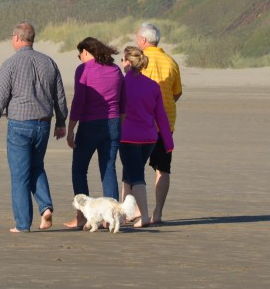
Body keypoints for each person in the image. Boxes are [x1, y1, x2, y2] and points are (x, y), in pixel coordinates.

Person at [0, 21, 68, 233]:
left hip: (20, 123)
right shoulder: (48, 62)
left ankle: (23, 224)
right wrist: (60, 122)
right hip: (43, 123)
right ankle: (46, 207)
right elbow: (59, 96)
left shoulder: (10, 64)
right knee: (36, 166)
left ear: (16, 38)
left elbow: (0, 95)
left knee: (20, 174)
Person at [64, 36, 125, 230]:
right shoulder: (115, 69)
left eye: (79, 54)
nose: (79, 58)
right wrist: (118, 122)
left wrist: (71, 128)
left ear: (86, 52)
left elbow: (79, 102)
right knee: (108, 169)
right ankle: (111, 218)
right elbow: (124, 101)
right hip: (113, 123)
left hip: (90, 125)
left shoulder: (84, 70)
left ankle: (83, 217)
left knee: (79, 169)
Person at [130, 22, 182, 224]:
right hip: (165, 124)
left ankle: (136, 209)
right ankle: (157, 212)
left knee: (134, 168)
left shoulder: (140, 61)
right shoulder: (171, 62)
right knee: (163, 168)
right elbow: (176, 93)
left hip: (142, 124)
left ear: (143, 40)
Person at [118, 46, 173, 228]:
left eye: (122, 60)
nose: (121, 63)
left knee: (135, 176)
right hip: (149, 138)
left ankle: (144, 216)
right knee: (128, 175)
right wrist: (168, 141)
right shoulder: (152, 85)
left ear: (128, 62)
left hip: (128, 137)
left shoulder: (121, 84)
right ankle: (123, 215)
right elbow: (161, 116)